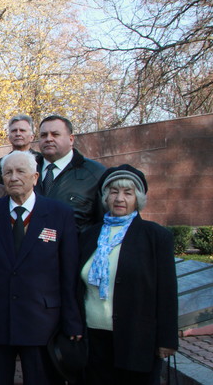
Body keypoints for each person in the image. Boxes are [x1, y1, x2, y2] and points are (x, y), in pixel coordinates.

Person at [0, 151, 82, 385]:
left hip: (43, 323)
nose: (14, 177)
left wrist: (72, 320)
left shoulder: (60, 214)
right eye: (8, 172)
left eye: (20, 171)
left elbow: (69, 272)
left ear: (35, 177)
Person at [80, 164, 178, 384]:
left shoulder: (155, 236)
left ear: (138, 198)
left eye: (128, 192)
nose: (119, 198)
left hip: (136, 337)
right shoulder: (89, 235)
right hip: (93, 337)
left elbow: (167, 291)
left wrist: (167, 339)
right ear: (105, 197)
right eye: (113, 192)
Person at [36, 115, 106, 231]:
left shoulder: (95, 173)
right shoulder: (27, 171)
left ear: (71, 139)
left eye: (55, 134)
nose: (48, 139)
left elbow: (105, 221)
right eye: (43, 135)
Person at [0, 114, 41, 183]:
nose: (18, 134)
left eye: (22, 130)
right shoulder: (0, 164)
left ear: (32, 137)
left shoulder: (41, 161)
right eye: (14, 131)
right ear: (9, 137)